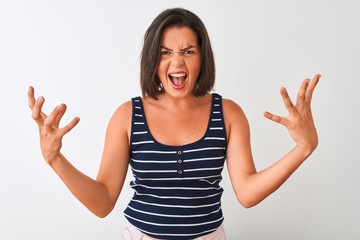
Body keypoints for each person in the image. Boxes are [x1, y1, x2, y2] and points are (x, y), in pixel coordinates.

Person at [28, 8, 320, 240]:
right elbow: (103, 202)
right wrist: (54, 158)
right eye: (165, 52)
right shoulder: (127, 115)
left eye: (188, 51)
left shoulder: (228, 114)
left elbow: (246, 193)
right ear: (153, 60)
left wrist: (303, 148)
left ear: (202, 58)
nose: (177, 62)